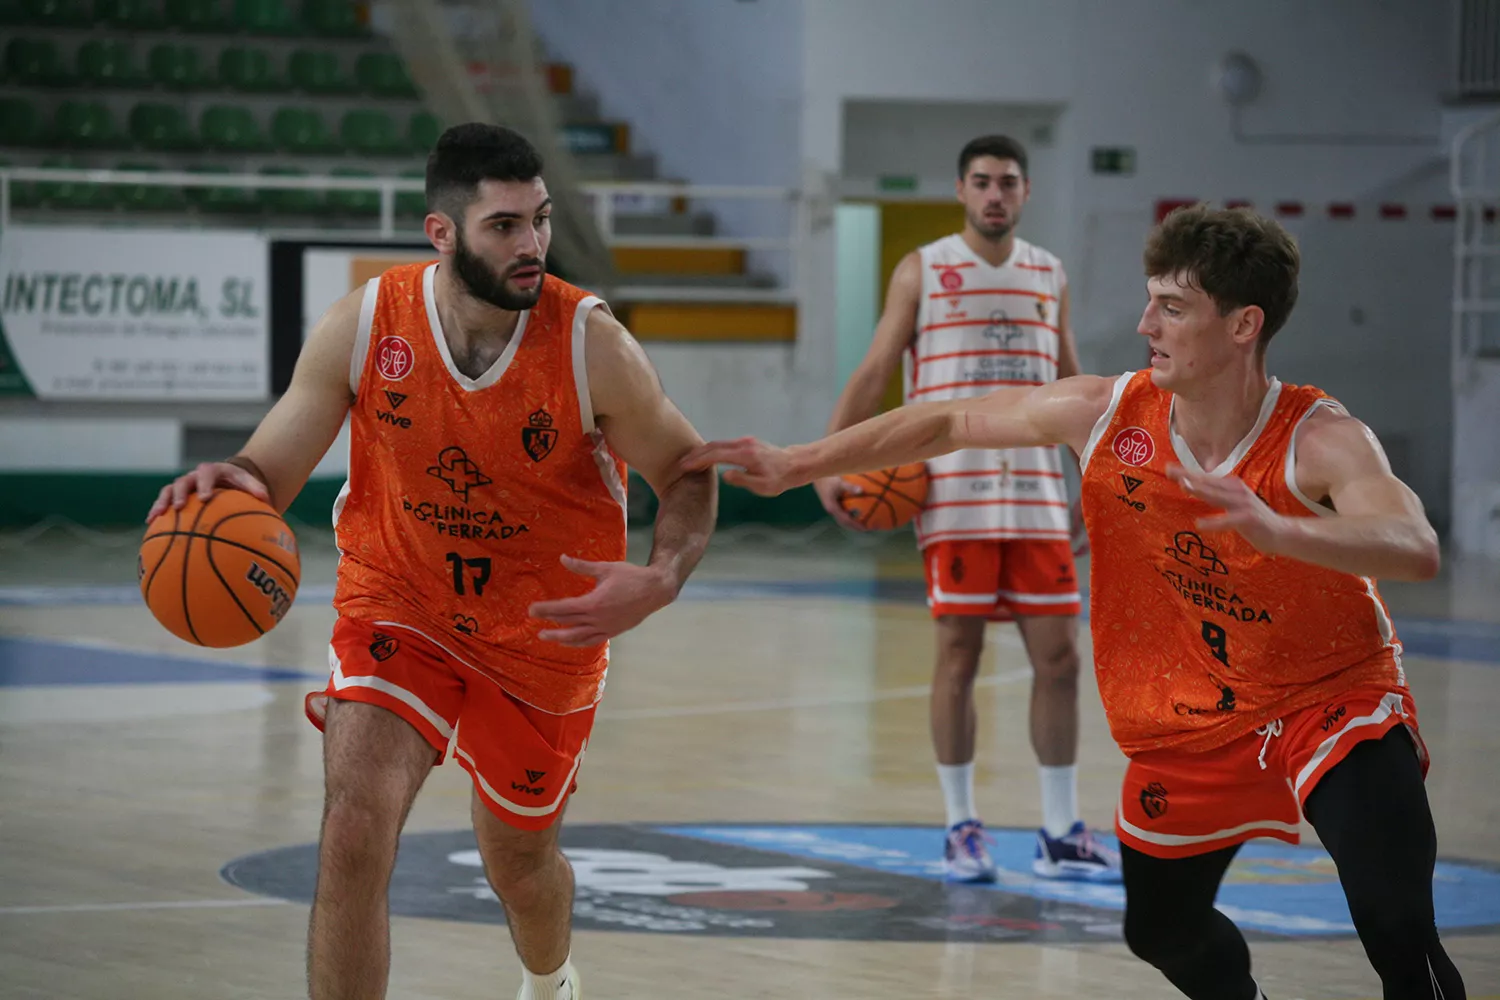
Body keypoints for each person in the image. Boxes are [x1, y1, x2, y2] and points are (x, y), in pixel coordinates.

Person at [684, 204, 1465, 1000]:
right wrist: (798, 462)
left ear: (1242, 325)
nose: (1144, 323)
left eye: (1172, 306)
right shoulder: (1104, 413)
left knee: (1396, 922)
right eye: (1150, 299)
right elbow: (948, 420)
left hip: (1330, 697)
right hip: (1188, 722)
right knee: (1161, 931)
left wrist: (1279, 530)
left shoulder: (1320, 437)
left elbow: (1415, 546)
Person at [147, 124, 718, 1000]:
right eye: (503, 226)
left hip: (542, 639)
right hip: (398, 603)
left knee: (521, 869)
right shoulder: (369, 322)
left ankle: (552, 979)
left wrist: (664, 574)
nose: (530, 245)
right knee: (352, 835)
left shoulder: (589, 343)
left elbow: (686, 470)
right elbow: (272, 462)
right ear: (441, 233)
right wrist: (241, 477)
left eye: (540, 220)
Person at [818, 134, 1113, 883]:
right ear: (959, 190)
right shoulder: (923, 269)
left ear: (1025, 192)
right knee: (959, 656)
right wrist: (830, 459)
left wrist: (1096, 482)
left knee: (1060, 660)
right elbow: (879, 366)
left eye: (1007, 182)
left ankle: (1059, 829)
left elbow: (1076, 383)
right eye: (981, 182)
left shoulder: (1049, 272)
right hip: (953, 496)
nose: (994, 195)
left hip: (1038, 495)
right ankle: (960, 827)